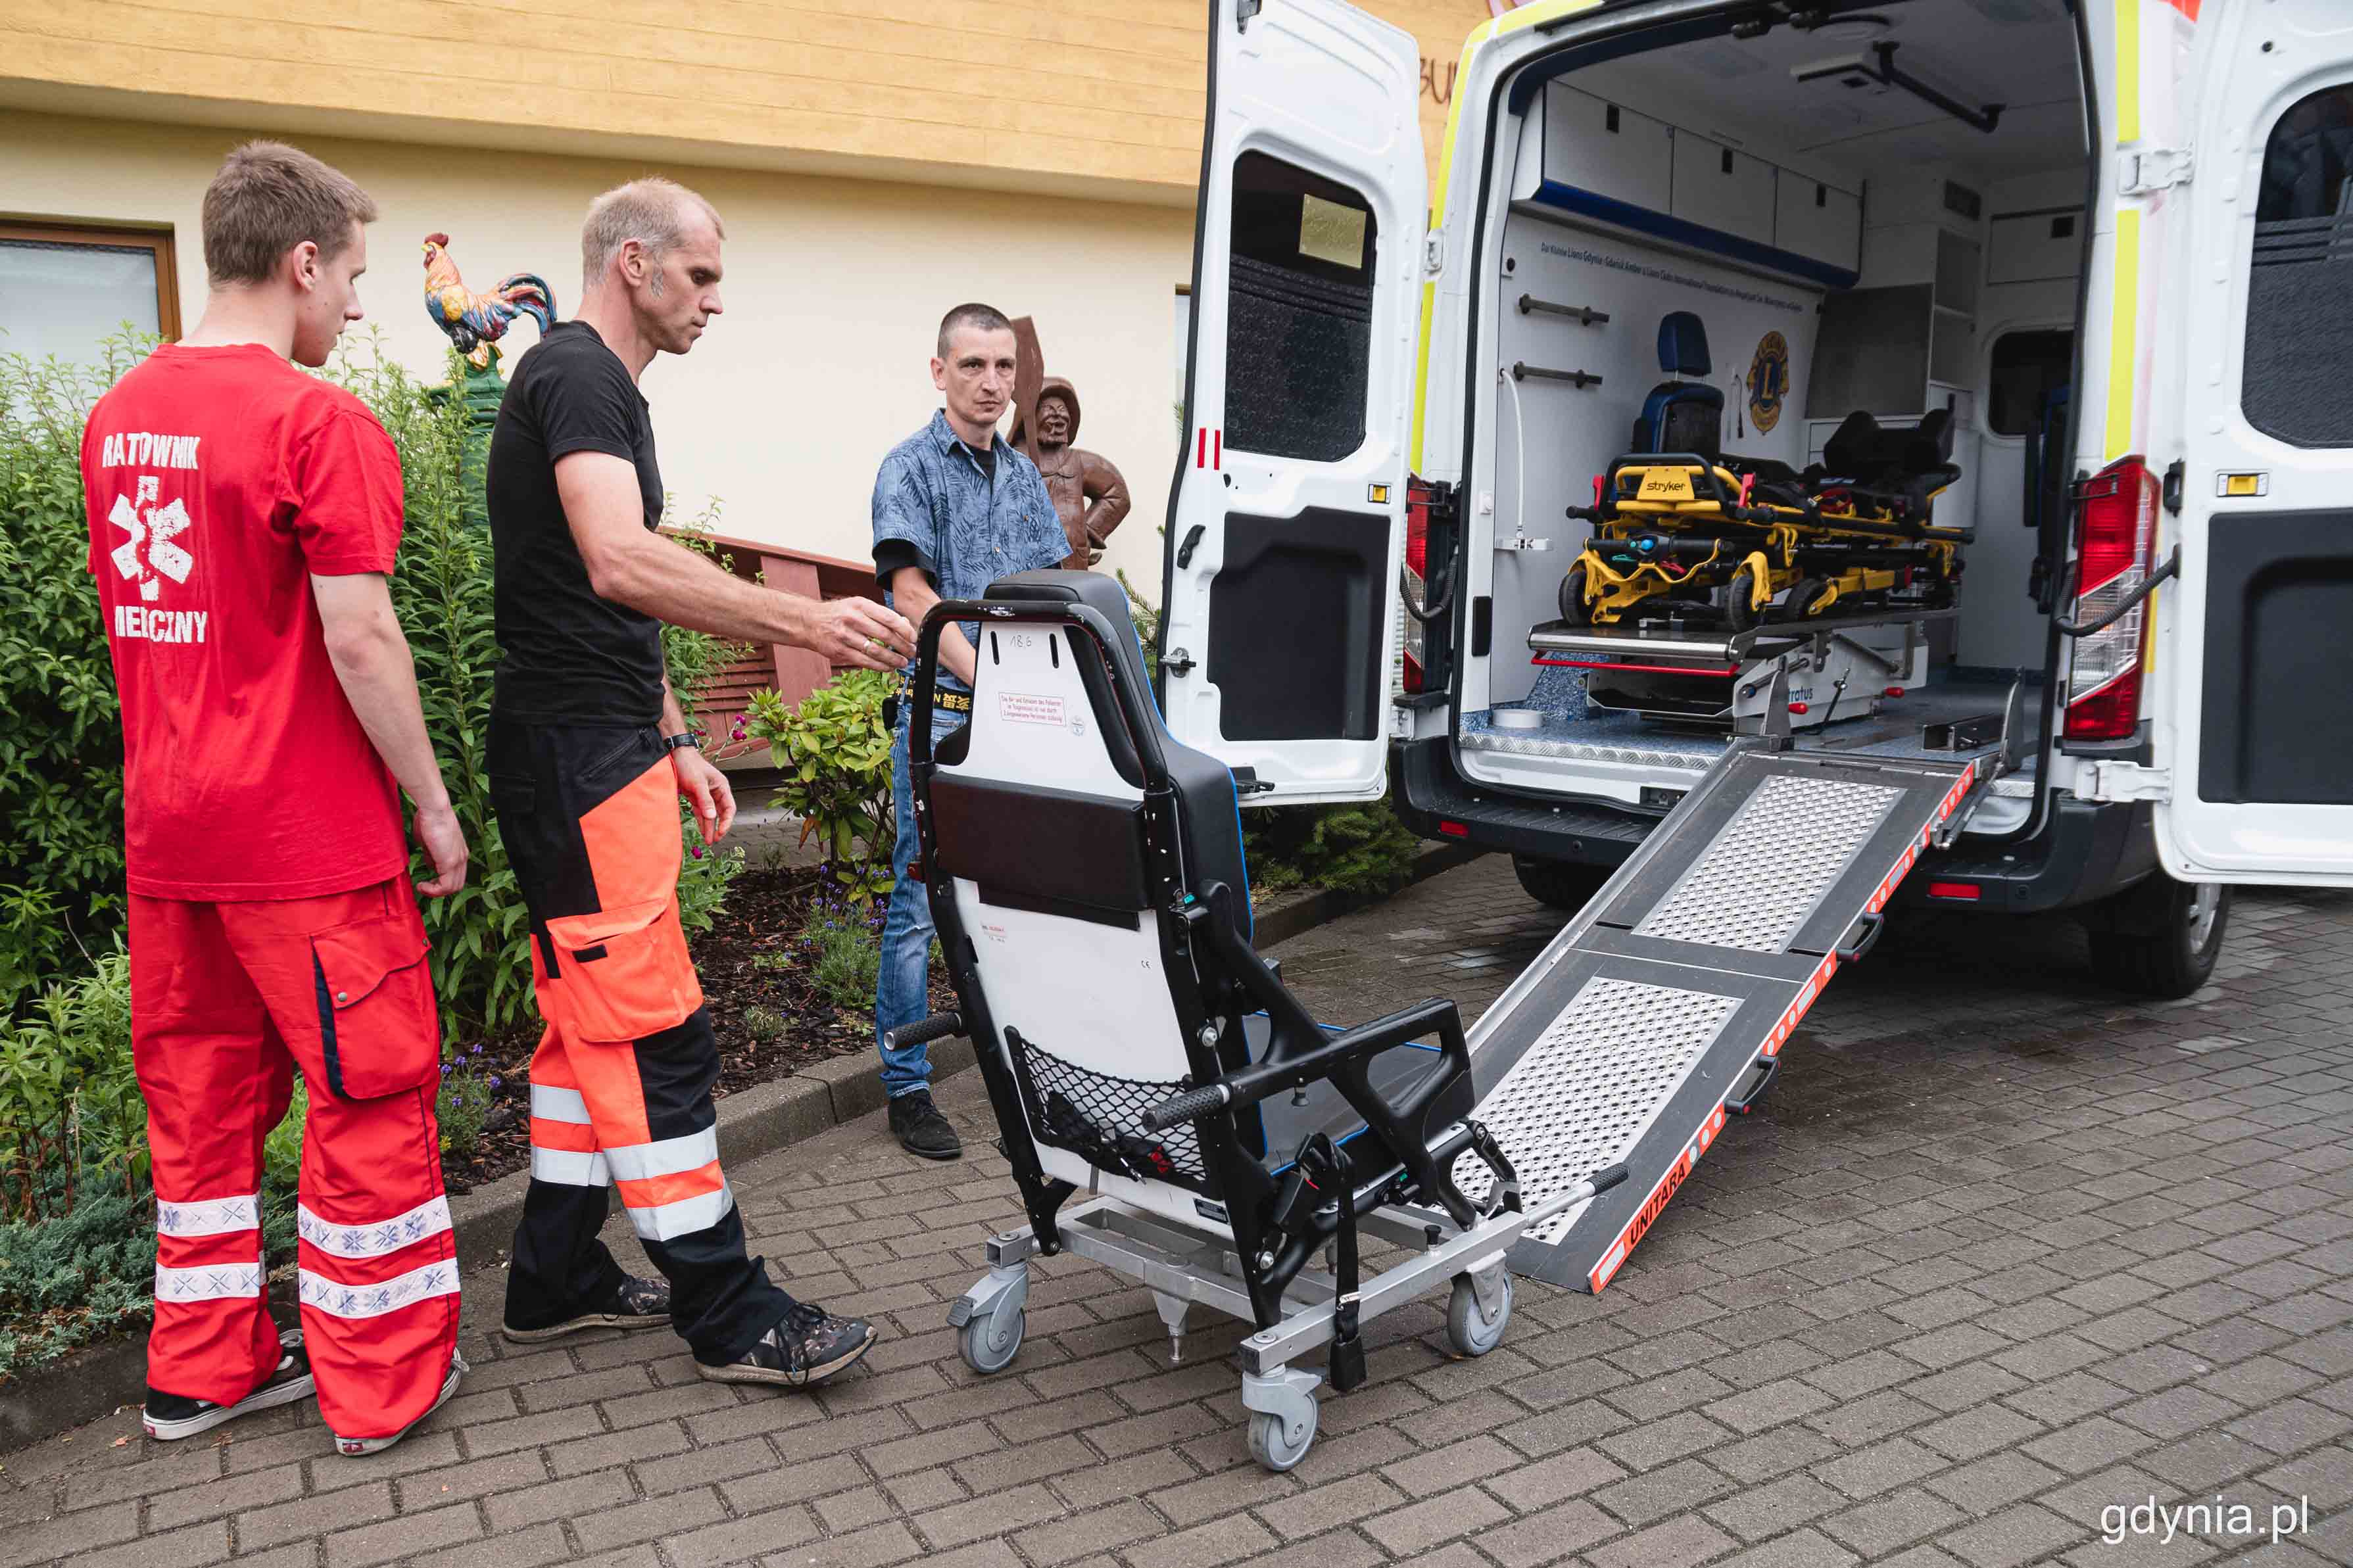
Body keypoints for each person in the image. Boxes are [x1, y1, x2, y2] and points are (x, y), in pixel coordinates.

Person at [487, 178, 914, 1389]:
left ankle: (553, 1277)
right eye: (701, 275)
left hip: (600, 749)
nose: (715, 301)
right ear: (633, 262)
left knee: (585, 1031)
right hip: (575, 761)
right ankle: (727, 1312)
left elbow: (606, 597)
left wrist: (673, 733)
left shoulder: (600, 387)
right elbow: (619, 560)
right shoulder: (578, 375)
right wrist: (808, 621)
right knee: (655, 1038)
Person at [82, 141, 470, 1456]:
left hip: (171, 839)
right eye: (353, 276)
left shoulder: (117, 417)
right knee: (369, 1096)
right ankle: (382, 1382)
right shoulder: (318, 424)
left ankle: (200, 1372)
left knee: (199, 1109)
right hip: (307, 844)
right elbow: (360, 635)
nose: (357, 306)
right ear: (302, 262)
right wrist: (431, 803)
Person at [871, 304, 1072, 1158]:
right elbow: (914, 597)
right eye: (973, 366)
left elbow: (1048, 591)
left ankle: (1032, 1074)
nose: (991, 383)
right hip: (943, 717)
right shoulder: (909, 468)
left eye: (1003, 367)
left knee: (1018, 898)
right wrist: (992, 682)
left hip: (1022, 717)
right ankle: (907, 1087)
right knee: (920, 904)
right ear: (939, 371)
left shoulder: (1023, 477)